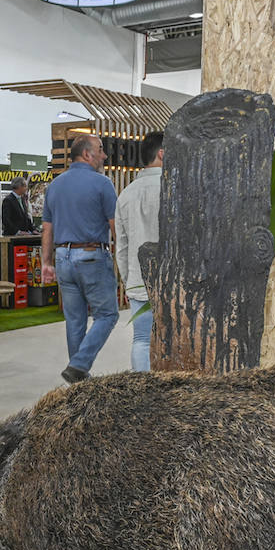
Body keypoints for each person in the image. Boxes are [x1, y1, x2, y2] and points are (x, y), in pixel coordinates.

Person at [41, 134, 117, 383]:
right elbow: (115, 226)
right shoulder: (102, 184)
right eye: (101, 150)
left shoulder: (55, 186)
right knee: (107, 315)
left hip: (63, 258)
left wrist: (46, 263)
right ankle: (79, 365)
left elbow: (47, 230)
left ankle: (78, 381)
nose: (104, 156)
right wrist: (124, 257)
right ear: (87, 154)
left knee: (75, 320)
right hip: (92, 255)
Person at [114, 132, 163, 373]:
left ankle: (145, 395)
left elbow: (121, 246)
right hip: (172, 282)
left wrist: (128, 280)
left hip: (138, 280)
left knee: (142, 340)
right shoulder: (177, 190)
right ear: (162, 154)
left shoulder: (126, 194)